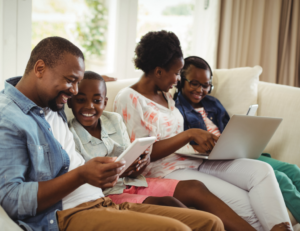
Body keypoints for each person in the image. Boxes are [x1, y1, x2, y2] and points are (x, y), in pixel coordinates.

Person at [0, 36, 225, 231]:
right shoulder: (10, 118)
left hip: (101, 200)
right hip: (67, 214)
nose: (75, 91)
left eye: (77, 82)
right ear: (39, 69)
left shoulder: (51, 102)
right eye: (70, 81)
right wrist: (81, 175)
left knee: (210, 223)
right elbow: (12, 199)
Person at [113, 30, 292, 231]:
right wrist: (189, 134)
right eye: (176, 73)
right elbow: (142, 154)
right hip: (162, 172)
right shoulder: (128, 98)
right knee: (248, 206)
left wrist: (204, 144)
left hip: (192, 160)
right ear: (158, 71)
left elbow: (175, 135)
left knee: (261, 170)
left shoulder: (166, 94)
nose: (178, 80)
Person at [67, 70, 259, 231]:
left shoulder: (114, 120)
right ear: (70, 102)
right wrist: (119, 171)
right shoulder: (70, 133)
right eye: (81, 100)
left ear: (105, 101)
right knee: (167, 203)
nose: (89, 106)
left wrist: (139, 164)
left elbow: (129, 156)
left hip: (133, 181)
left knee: (194, 187)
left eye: (96, 100)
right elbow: (86, 182)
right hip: (109, 193)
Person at [174, 55, 300, 225]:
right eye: (194, 83)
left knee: (292, 169)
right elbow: (182, 144)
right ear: (181, 80)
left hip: (234, 150)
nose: (200, 90)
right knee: (280, 177)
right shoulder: (175, 108)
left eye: (206, 85)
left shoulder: (213, 103)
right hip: (211, 159)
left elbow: (229, 130)